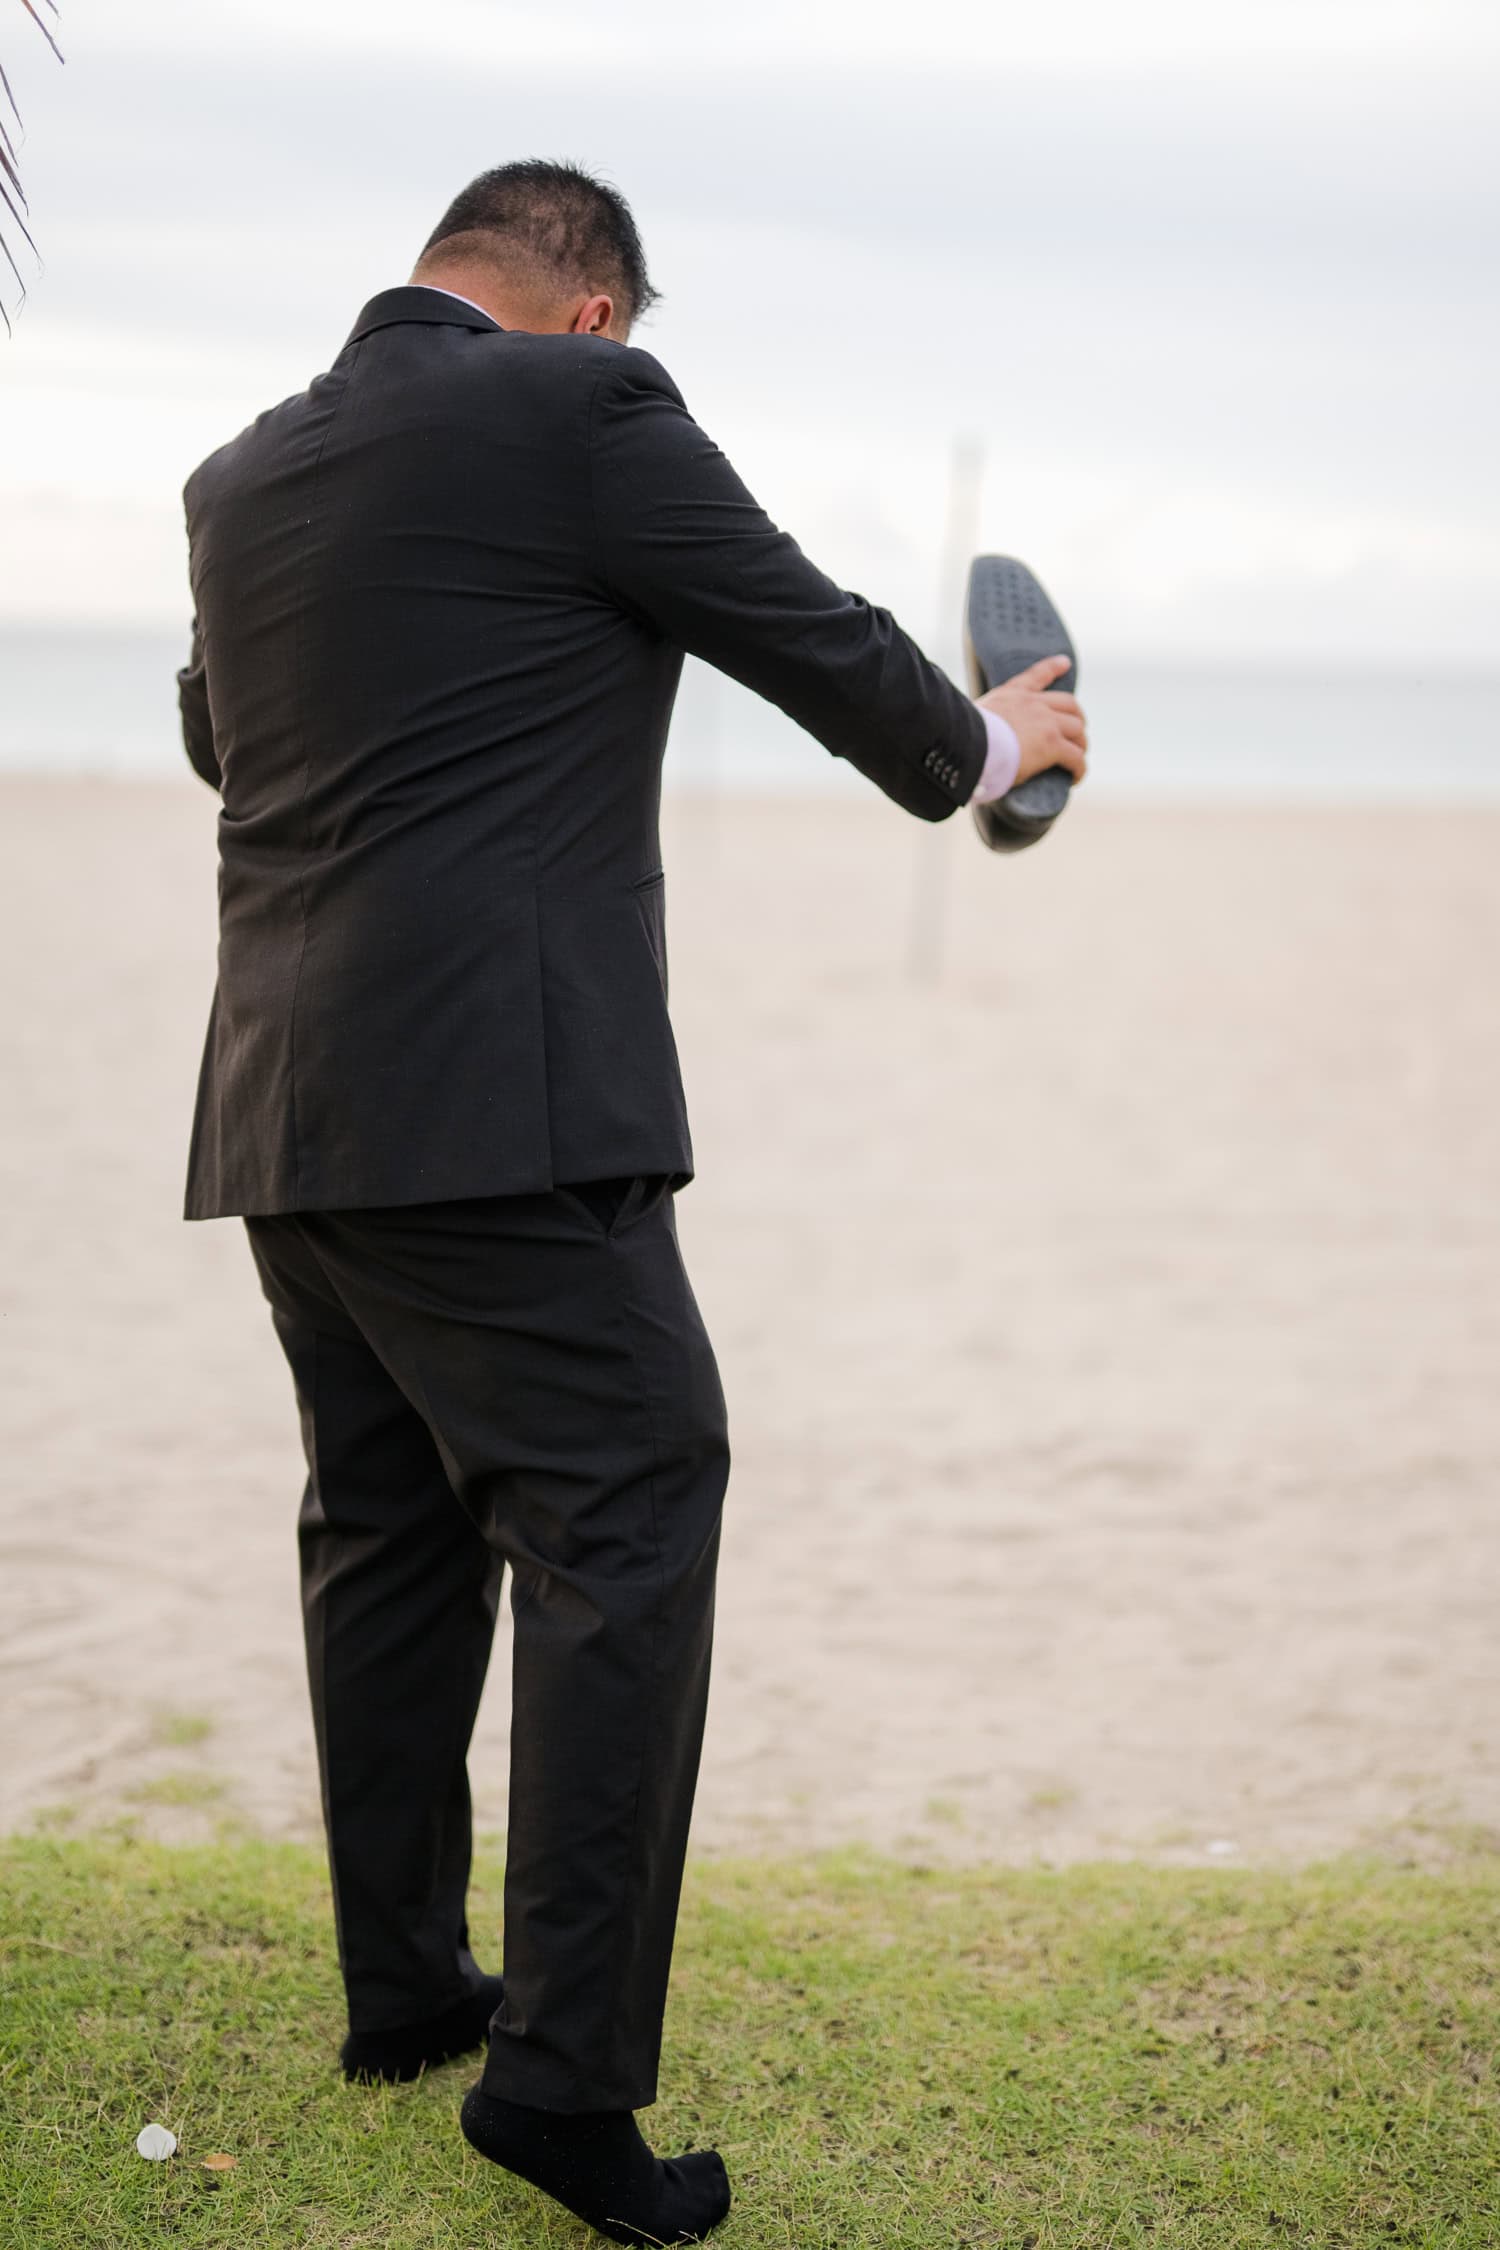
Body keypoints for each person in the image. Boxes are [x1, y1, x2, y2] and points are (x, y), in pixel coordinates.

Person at [175, 159, 1088, 2247]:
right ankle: (561, 2082)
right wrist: (985, 749)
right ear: (596, 315)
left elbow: (227, 737)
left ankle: (407, 1992)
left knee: (390, 1529)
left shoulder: (245, 474)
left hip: (285, 1110)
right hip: (505, 1109)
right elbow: (793, 622)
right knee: (630, 1505)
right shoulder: (586, 411)